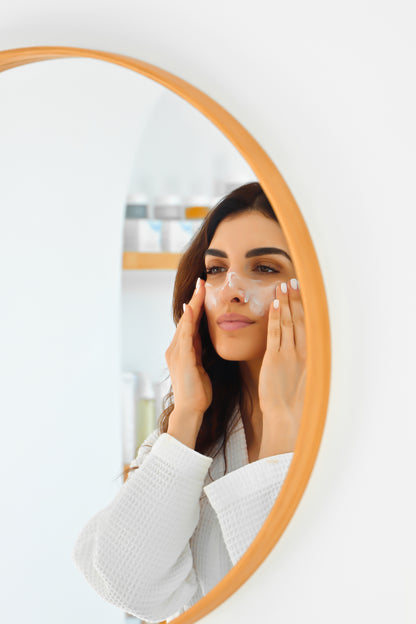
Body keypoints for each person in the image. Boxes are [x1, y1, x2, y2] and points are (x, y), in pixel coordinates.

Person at [72, 182, 306, 623]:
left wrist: (281, 420)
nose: (231, 290)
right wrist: (186, 415)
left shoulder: (353, 418)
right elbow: (126, 581)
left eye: (264, 268)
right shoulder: (199, 424)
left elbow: (288, 599)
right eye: (216, 269)